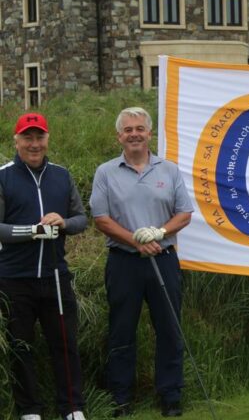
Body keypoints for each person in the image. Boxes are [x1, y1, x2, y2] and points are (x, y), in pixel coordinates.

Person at [90, 107, 193, 418]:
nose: (134, 134)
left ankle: (170, 396)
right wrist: (135, 240)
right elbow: (101, 219)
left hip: (163, 259)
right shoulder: (105, 172)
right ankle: (121, 397)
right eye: (128, 129)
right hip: (124, 262)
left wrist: (160, 232)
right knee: (122, 330)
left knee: (169, 329)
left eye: (139, 128)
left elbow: (184, 213)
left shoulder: (169, 170)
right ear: (119, 136)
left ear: (149, 133)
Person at [0, 112, 88, 420]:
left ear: (47, 139)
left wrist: (62, 222)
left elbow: (81, 220)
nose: (34, 144)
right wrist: (34, 231)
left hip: (55, 275)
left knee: (65, 343)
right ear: (17, 140)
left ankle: (72, 407)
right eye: (28, 137)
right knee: (21, 346)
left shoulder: (62, 175)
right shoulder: (4, 175)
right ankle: (30, 410)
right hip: (14, 278)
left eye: (39, 137)